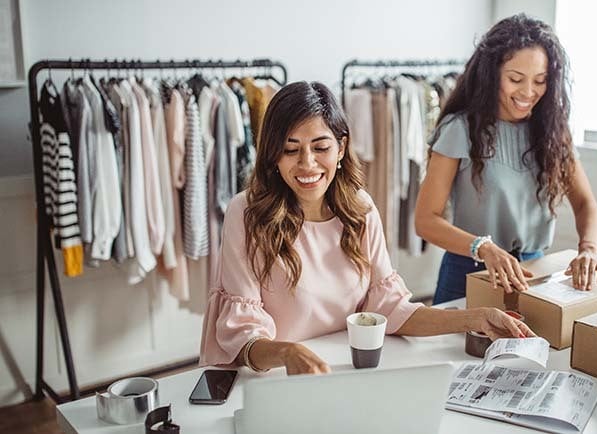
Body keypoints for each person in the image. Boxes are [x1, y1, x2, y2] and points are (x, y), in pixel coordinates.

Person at [199, 81, 534, 375]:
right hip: (275, 376)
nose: (307, 163)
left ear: (341, 148)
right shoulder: (245, 213)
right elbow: (243, 336)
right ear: (273, 154)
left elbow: (391, 307)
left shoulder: (359, 209)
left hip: (343, 372)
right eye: (290, 150)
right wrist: (287, 352)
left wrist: (474, 318)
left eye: (320, 147)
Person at [415, 14, 597, 305]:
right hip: (470, 271)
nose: (528, 92)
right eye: (515, 79)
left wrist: (588, 249)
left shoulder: (554, 133)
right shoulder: (459, 130)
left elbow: (585, 203)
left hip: (534, 275)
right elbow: (425, 221)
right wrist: (482, 247)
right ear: (491, 75)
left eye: (540, 81)